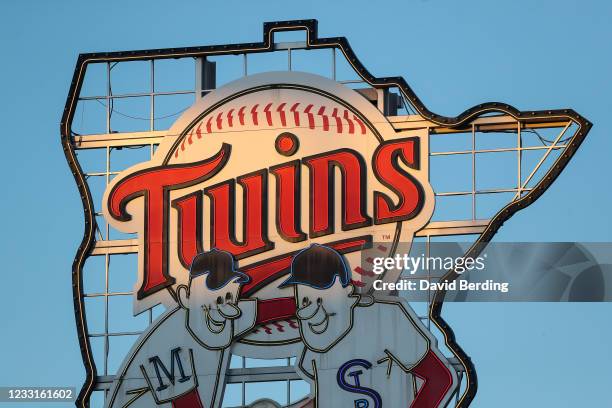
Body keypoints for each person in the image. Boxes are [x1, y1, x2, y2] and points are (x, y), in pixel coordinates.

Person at [283, 245, 458, 408]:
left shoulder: (386, 317)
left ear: (349, 291)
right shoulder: (313, 343)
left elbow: (441, 378)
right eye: (305, 300)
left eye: (322, 298)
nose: (312, 310)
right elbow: (325, 396)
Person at [106, 249, 257, 408]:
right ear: (185, 297)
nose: (223, 310)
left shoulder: (219, 324)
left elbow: (262, 310)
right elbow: (187, 402)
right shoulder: (166, 348)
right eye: (214, 299)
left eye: (228, 298)